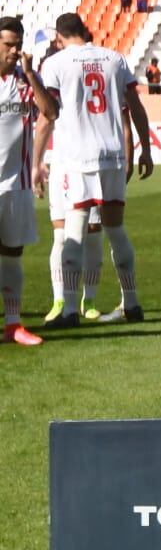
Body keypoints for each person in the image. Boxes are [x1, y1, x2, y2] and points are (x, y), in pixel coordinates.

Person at [35, 13, 154, 328]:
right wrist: (146, 148)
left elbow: (48, 114)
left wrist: (36, 160)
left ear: (60, 36)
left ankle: (71, 309)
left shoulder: (56, 63)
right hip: (113, 155)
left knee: (74, 229)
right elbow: (136, 106)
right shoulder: (115, 58)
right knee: (115, 229)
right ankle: (131, 302)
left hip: (78, 157)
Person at [0, 18, 48, 344]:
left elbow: (51, 112)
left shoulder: (25, 81)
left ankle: (14, 325)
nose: (15, 51)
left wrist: (31, 73)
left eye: (18, 44)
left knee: (12, 254)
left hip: (15, 185)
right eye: (8, 45)